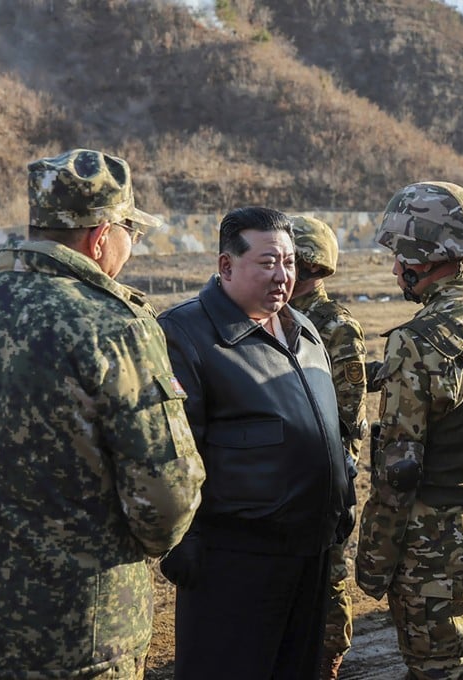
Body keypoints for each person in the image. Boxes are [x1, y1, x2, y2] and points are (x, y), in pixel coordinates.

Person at [0, 148, 206, 679]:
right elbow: (165, 499)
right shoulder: (113, 324)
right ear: (101, 236)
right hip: (72, 640)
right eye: (130, 230)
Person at [158, 206, 355, 680]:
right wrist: (184, 542)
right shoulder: (186, 335)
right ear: (226, 266)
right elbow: (172, 452)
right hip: (234, 564)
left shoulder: (304, 331)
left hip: (310, 554)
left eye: (289, 263)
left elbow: (330, 431)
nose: (282, 275)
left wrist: (342, 500)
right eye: (267, 262)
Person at [355, 181, 463, 680]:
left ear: (420, 257)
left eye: (399, 253)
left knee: (441, 671)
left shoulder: (416, 341)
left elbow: (400, 469)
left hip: (434, 548)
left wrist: (374, 560)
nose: (395, 266)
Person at [288, 215, 368, 680]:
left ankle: (328, 652)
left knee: (329, 564)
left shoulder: (335, 324)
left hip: (326, 467)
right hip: (287, 470)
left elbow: (348, 411)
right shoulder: (275, 315)